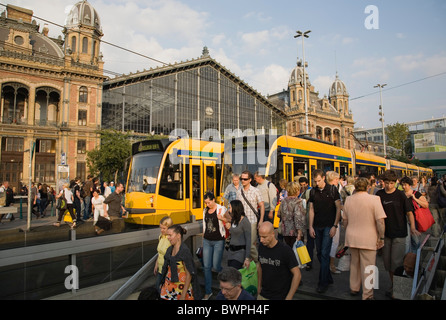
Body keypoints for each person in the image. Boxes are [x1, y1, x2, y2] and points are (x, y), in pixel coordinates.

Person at [376, 170, 420, 298]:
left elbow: (409, 212)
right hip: (385, 234)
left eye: (391, 183)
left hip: (399, 233)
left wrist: (412, 227)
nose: (389, 186)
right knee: (387, 263)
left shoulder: (400, 195)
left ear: (395, 183)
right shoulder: (379, 194)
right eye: (387, 183)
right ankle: (394, 284)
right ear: (383, 182)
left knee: (396, 262)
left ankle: (397, 287)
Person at [343, 177, 386, 300]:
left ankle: (354, 287)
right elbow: (380, 221)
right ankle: (367, 294)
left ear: (355, 187)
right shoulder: (374, 199)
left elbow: (345, 220)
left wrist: (348, 231)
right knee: (369, 267)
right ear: (368, 187)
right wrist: (381, 237)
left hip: (352, 236)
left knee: (354, 264)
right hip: (369, 238)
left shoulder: (349, 200)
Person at [308, 169, 342, 293]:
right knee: (319, 253)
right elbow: (311, 209)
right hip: (317, 226)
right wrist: (310, 226)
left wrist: (335, 225)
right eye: (315, 181)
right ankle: (327, 277)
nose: (317, 183)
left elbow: (338, 208)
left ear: (323, 178)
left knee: (324, 252)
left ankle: (322, 283)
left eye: (319, 181)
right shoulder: (313, 191)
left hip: (329, 225)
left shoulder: (332, 190)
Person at [257, 222, 301, 300]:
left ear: (273, 234)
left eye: (264, 237)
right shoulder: (261, 247)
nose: (261, 240)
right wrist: (259, 286)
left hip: (280, 296)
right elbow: (260, 266)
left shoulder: (285, 250)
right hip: (263, 294)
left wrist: (289, 297)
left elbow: (297, 275)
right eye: (260, 236)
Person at [160, 225, 198, 300]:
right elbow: (166, 268)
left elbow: (189, 274)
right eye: (167, 235)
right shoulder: (169, 250)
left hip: (181, 288)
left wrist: (183, 295)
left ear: (178, 236)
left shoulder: (184, 251)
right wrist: (162, 283)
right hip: (168, 286)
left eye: (170, 235)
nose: (168, 237)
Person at [202, 191, 227, 300]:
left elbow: (229, 220)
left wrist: (222, 218)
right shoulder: (205, 210)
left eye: (208, 202)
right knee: (207, 267)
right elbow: (204, 223)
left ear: (213, 200)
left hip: (218, 241)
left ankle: (225, 282)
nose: (207, 205)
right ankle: (208, 291)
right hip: (207, 240)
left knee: (216, 266)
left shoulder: (222, 209)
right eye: (206, 203)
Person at [236, 170, 265, 262]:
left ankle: (258, 263)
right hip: (241, 222)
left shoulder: (256, 191)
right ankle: (247, 263)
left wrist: (261, 221)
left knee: (251, 245)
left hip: (252, 221)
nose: (243, 181)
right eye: (241, 179)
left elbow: (262, 206)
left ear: (250, 180)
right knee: (242, 244)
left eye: (245, 179)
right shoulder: (239, 191)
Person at [401, 176, 429, 252]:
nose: (403, 187)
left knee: (416, 241)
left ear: (409, 185)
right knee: (406, 242)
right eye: (402, 185)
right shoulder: (400, 194)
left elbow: (426, 205)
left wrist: (415, 198)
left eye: (405, 185)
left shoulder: (416, 194)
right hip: (404, 220)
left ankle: (416, 258)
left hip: (415, 220)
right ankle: (409, 259)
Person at [224, 200, 251, 270]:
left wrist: (247, 258)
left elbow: (248, 240)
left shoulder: (245, 221)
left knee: (233, 273)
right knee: (231, 275)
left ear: (235, 208)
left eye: (230, 208)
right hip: (231, 252)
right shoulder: (234, 219)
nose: (229, 210)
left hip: (240, 253)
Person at [277, 181, 305, 247]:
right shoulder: (298, 202)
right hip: (295, 232)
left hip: (285, 231)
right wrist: (299, 233)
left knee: (288, 249)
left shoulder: (283, 201)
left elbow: (279, 214)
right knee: (296, 252)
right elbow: (298, 218)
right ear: (297, 190)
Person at [326, 171, 343, 275]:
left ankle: (327, 264)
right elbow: (339, 206)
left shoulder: (324, 189)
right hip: (334, 220)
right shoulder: (334, 190)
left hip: (325, 220)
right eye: (337, 179)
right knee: (334, 243)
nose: (338, 181)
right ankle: (331, 265)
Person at [154, 216, 173, 292]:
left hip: (167, 271)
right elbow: (159, 253)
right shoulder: (161, 237)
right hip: (160, 269)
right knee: (158, 288)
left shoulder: (171, 239)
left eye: (164, 228)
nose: (161, 230)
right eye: (160, 228)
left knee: (163, 290)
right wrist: (156, 265)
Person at [299, 176, 313, 270]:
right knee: (302, 240)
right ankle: (304, 259)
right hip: (303, 219)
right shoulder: (300, 191)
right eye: (301, 185)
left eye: (303, 184)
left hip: (308, 219)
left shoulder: (309, 191)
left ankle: (308, 261)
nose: (302, 186)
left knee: (309, 242)